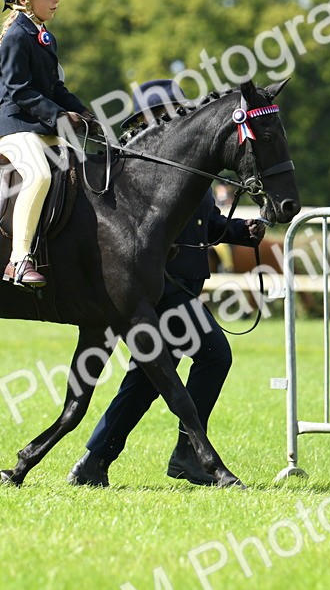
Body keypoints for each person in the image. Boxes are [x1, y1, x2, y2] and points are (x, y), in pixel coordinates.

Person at [67, 79, 266, 487]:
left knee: (150, 372)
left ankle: (95, 462)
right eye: (163, 114)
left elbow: (206, 224)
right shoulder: (132, 172)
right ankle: (187, 455)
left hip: (185, 281)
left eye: (175, 112)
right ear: (143, 121)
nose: (172, 120)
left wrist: (241, 232)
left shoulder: (187, 169)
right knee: (213, 355)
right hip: (159, 284)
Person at [0, 0, 96, 288]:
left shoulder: (43, 36)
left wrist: (86, 113)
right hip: (14, 125)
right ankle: (18, 261)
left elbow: (55, 87)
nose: (56, 1)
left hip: (39, 125)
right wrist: (61, 116)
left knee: (84, 168)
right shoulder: (18, 37)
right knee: (39, 176)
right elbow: (19, 91)